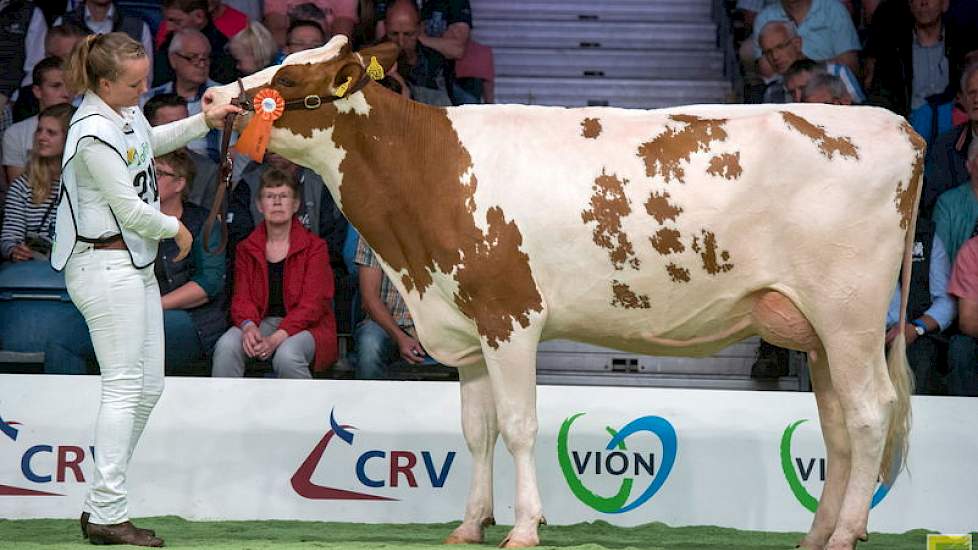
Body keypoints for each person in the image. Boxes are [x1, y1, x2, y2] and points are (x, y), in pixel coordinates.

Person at [53, 31, 238, 546]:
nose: (143, 91)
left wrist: (206, 121)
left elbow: (149, 143)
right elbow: (130, 209)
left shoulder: (123, 113)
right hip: (101, 265)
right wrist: (175, 229)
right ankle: (109, 513)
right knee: (123, 386)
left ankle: (100, 504)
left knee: (148, 387)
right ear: (105, 83)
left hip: (131, 263)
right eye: (134, 84)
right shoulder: (89, 132)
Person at [212, 168, 338, 378]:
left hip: (309, 327)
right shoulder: (246, 247)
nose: (277, 202)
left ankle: (304, 411)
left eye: (284, 196)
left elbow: (313, 306)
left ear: (296, 205)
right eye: (270, 196)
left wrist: (276, 339)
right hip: (262, 321)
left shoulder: (315, 247)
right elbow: (241, 299)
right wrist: (249, 327)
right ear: (260, 206)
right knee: (227, 345)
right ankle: (225, 409)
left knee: (287, 355)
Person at [154, 148, 227, 372]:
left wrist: (155, 306)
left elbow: (209, 283)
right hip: (144, 315)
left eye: (158, 173)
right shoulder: (137, 220)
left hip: (195, 321)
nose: (149, 179)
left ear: (179, 184)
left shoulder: (204, 223)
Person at [1, 104, 73, 262]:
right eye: (39, 130)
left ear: (70, 138)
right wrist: (15, 251)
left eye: (51, 133)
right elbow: (9, 237)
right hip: (33, 270)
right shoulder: (22, 186)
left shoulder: (86, 186)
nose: (41, 137)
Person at [2, 57, 72, 183]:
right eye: (56, 86)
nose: (66, 93)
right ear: (37, 91)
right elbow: (18, 192)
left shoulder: (89, 126)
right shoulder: (16, 133)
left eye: (70, 85)